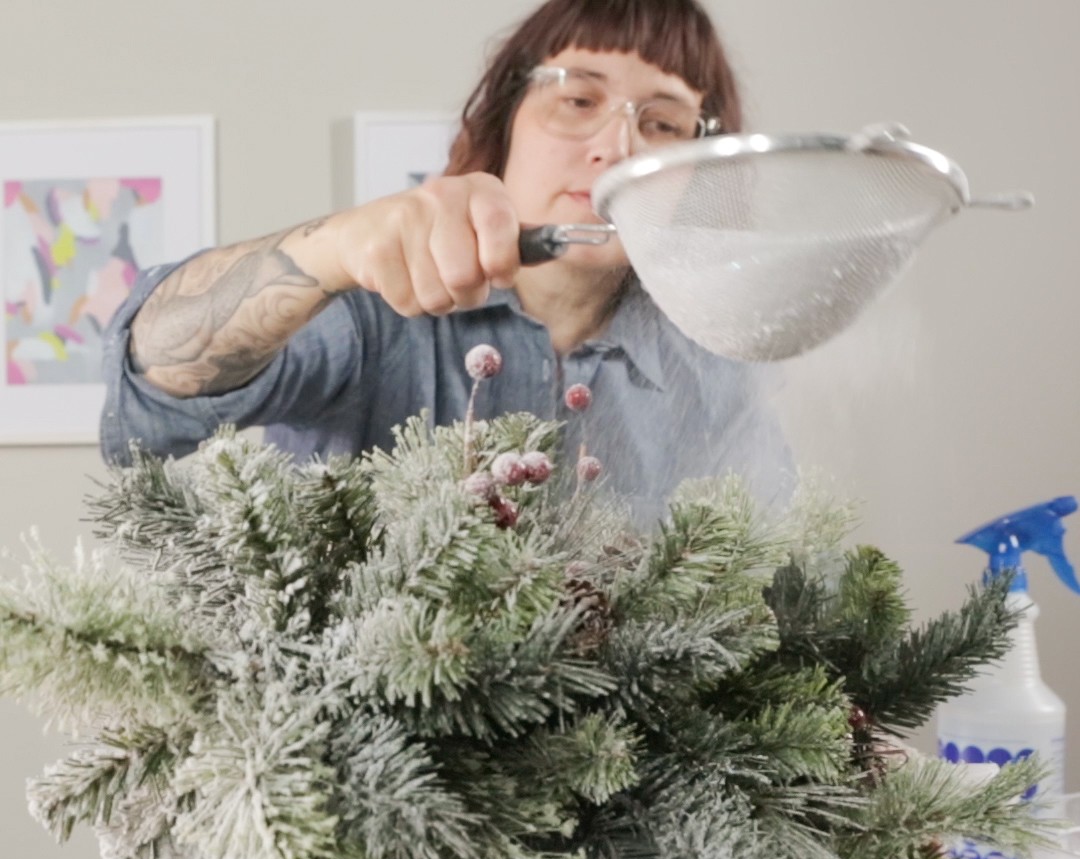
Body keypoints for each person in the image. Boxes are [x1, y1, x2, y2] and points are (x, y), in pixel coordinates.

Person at [100, 0, 791, 521]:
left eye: (664, 124)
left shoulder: (717, 376)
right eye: (579, 98)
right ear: (500, 127)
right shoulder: (367, 313)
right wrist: (336, 247)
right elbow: (152, 397)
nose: (619, 148)